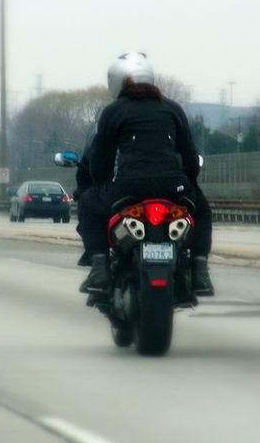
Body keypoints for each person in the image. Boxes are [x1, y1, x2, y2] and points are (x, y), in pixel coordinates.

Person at [75, 52, 215, 299]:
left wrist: (102, 186)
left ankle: (100, 269)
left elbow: (100, 165)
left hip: (128, 189)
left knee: (87, 203)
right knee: (202, 209)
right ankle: (199, 271)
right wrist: (188, 186)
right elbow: (191, 161)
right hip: (173, 188)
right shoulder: (172, 108)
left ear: (117, 81)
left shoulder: (114, 111)